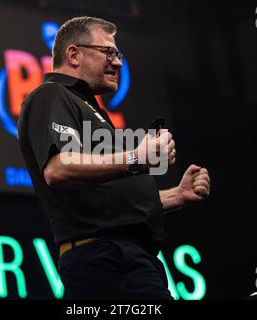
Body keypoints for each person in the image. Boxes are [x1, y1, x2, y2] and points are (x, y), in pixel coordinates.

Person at [17, 16, 210, 300]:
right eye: (108, 52)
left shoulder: (91, 111)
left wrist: (175, 196)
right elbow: (57, 169)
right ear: (73, 54)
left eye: (117, 54)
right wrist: (135, 158)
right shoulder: (51, 95)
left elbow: (110, 203)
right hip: (108, 260)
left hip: (126, 259)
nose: (117, 62)